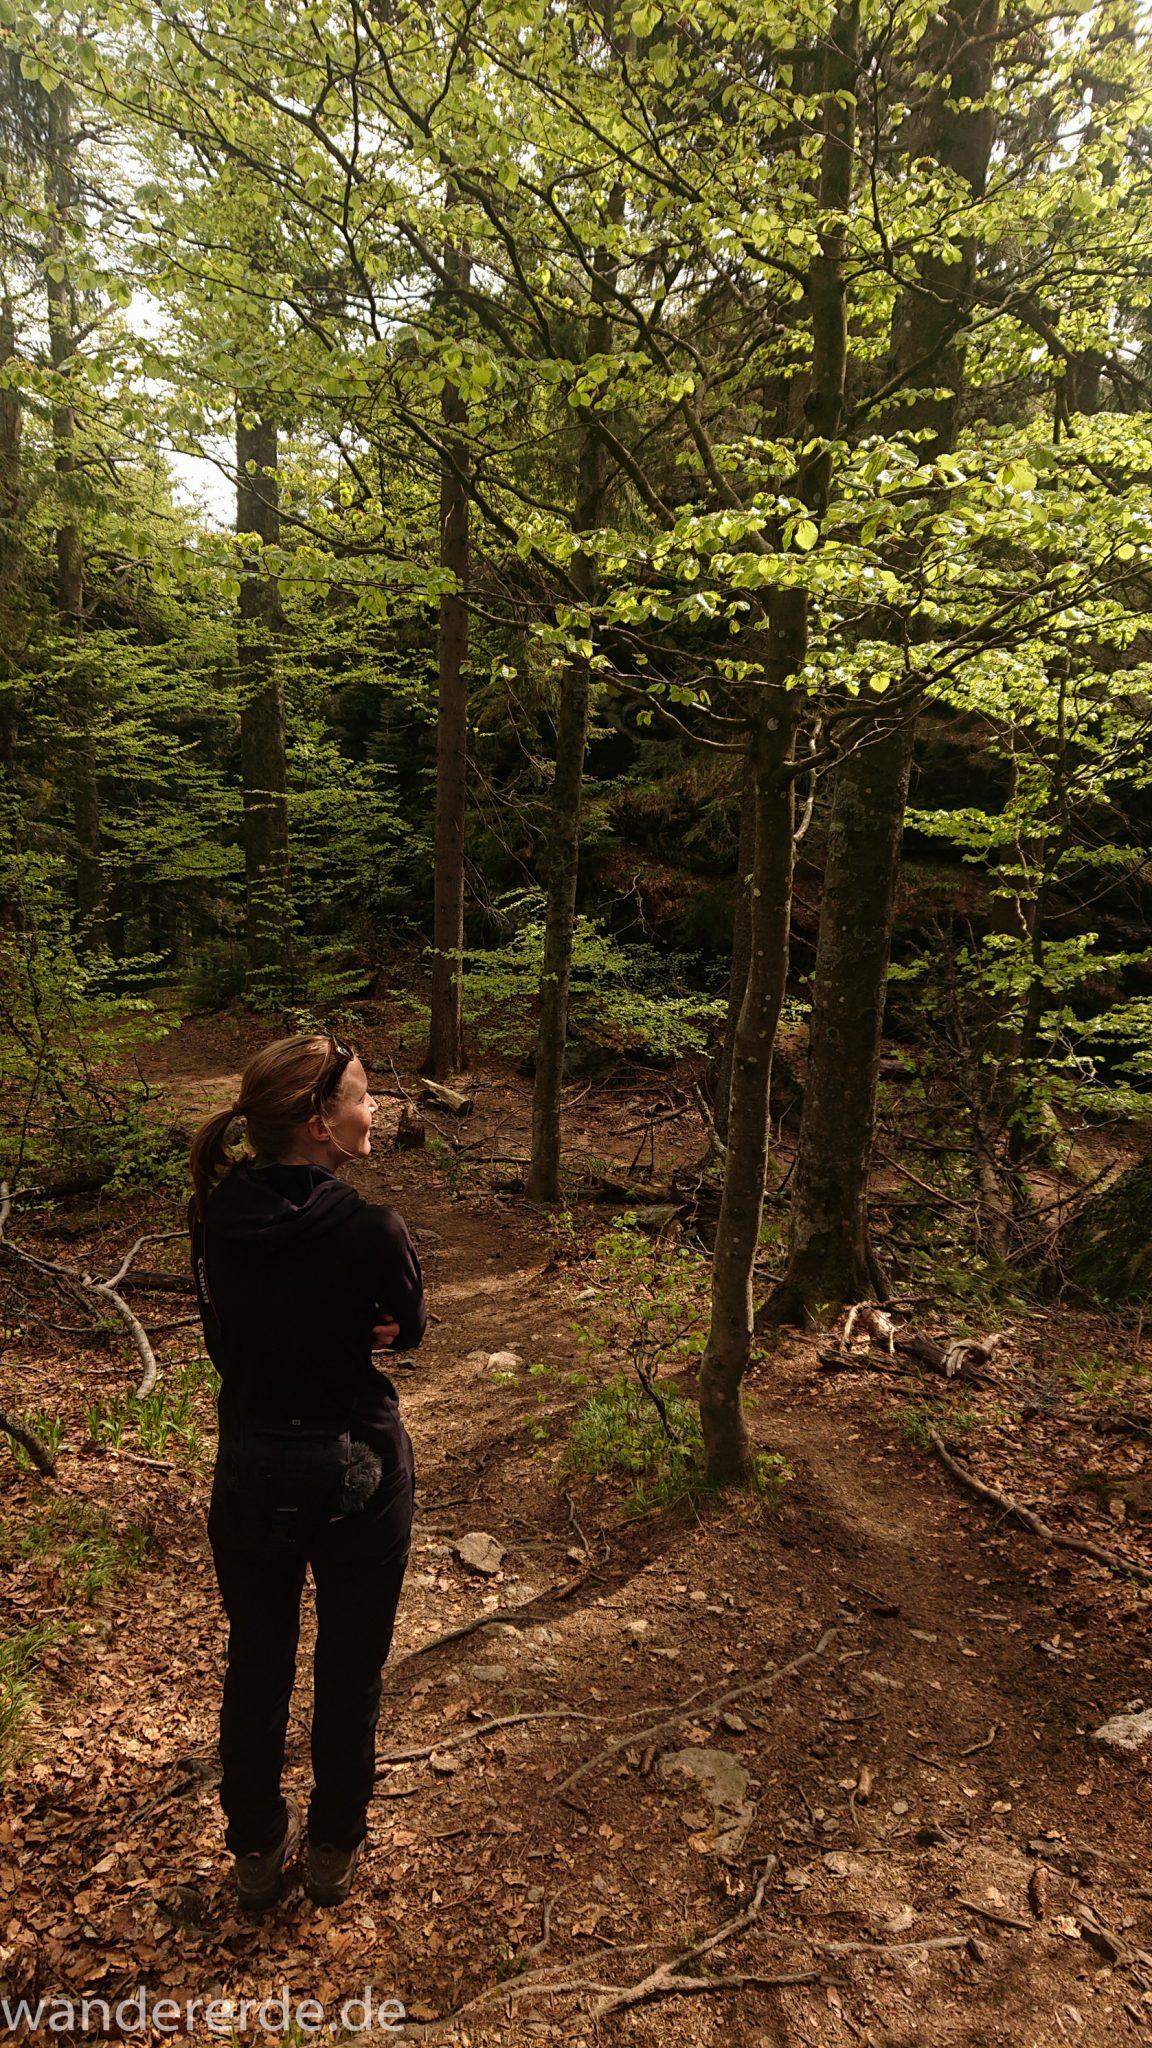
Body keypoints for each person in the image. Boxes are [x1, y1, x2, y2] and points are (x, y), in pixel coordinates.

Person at [188, 1034, 425, 1912]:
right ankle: (332, 1851)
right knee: (349, 1671)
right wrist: (354, 1329)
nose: (376, 1111)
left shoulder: (215, 1215)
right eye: (364, 1096)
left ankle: (254, 1851)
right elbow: (412, 1327)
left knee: (256, 1662)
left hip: (250, 1468)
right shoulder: (371, 1227)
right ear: (321, 1123)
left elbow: (223, 1340)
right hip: (358, 1467)